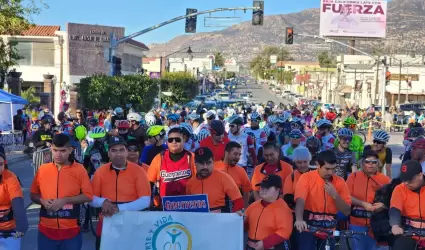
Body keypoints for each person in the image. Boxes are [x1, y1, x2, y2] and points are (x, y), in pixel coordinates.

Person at [30, 134, 93, 250]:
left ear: (70, 150)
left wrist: (65, 200)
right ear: (51, 149)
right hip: (46, 231)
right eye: (55, 150)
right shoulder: (43, 170)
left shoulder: (79, 170)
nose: (58, 154)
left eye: (62, 151)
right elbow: (33, 195)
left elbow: (88, 196)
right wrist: (42, 201)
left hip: (71, 231)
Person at [90, 135, 151, 250]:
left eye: (121, 150)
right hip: (107, 223)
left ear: (127, 152)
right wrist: (102, 202)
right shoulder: (100, 171)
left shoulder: (139, 171)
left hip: (132, 224)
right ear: (108, 153)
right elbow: (90, 198)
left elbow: (145, 200)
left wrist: (119, 208)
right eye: (114, 150)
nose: (118, 154)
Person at [294, 150, 351, 250]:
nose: (330, 172)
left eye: (333, 169)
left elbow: (346, 211)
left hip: (329, 231)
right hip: (308, 228)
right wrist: (299, 219)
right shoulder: (306, 178)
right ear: (317, 165)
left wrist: (335, 196)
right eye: (327, 169)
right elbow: (300, 200)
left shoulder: (340, 182)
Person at [346, 151, 391, 250]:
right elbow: (347, 196)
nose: (371, 164)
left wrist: (384, 206)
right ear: (362, 163)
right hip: (357, 223)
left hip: (378, 225)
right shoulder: (353, 177)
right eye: (367, 161)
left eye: (374, 162)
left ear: (378, 164)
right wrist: (363, 203)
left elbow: (393, 201)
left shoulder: (386, 180)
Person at [147, 127, 195, 209]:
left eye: (177, 139)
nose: (174, 142)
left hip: (187, 206)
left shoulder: (191, 157)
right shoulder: (159, 158)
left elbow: (200, 181)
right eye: (170, 140)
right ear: (167, 142)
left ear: (184, 140)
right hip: (164, 206)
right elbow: (149, 183)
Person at [186, 147, 244, 213]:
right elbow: (189, 208)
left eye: (208, 163)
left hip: (221, 219)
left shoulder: (223, 177)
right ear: (195, 163)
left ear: (213, 162)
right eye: (201, 163)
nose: (205, 167)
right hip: (199, 220)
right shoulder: (190, 183)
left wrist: (237, 212)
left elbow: (238, 200)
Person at [245, 175, 293, 250]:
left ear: (278, 189)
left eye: (267, 187)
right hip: (252, 245)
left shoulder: (283, 209)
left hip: (274, 246)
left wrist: (265, 243)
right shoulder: (253, 206)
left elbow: (285, 231)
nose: (263, 190)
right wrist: (239, 219)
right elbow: (245, 224)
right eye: (262, 187)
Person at [390, 160, 425, 249]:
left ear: (420, 175)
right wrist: (395, 225)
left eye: (409, 179)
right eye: (404, 179)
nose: (406, 183)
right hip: (408, 233)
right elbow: (395, 209)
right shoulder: (399, 188)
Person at [0, 152, 28, 249]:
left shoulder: (11, 178)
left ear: (5, 163)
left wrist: (21, 228)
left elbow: (18, 204)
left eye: (0, 164)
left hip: (9, 230)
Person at [214, 142, 252, 208]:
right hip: (216, 207)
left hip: (234, 209)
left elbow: (246, 190)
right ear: (226, 153)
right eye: (235, 154)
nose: (238, 157)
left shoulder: (241, 171)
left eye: (239, 155)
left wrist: (245, 207)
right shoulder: (214, 167)